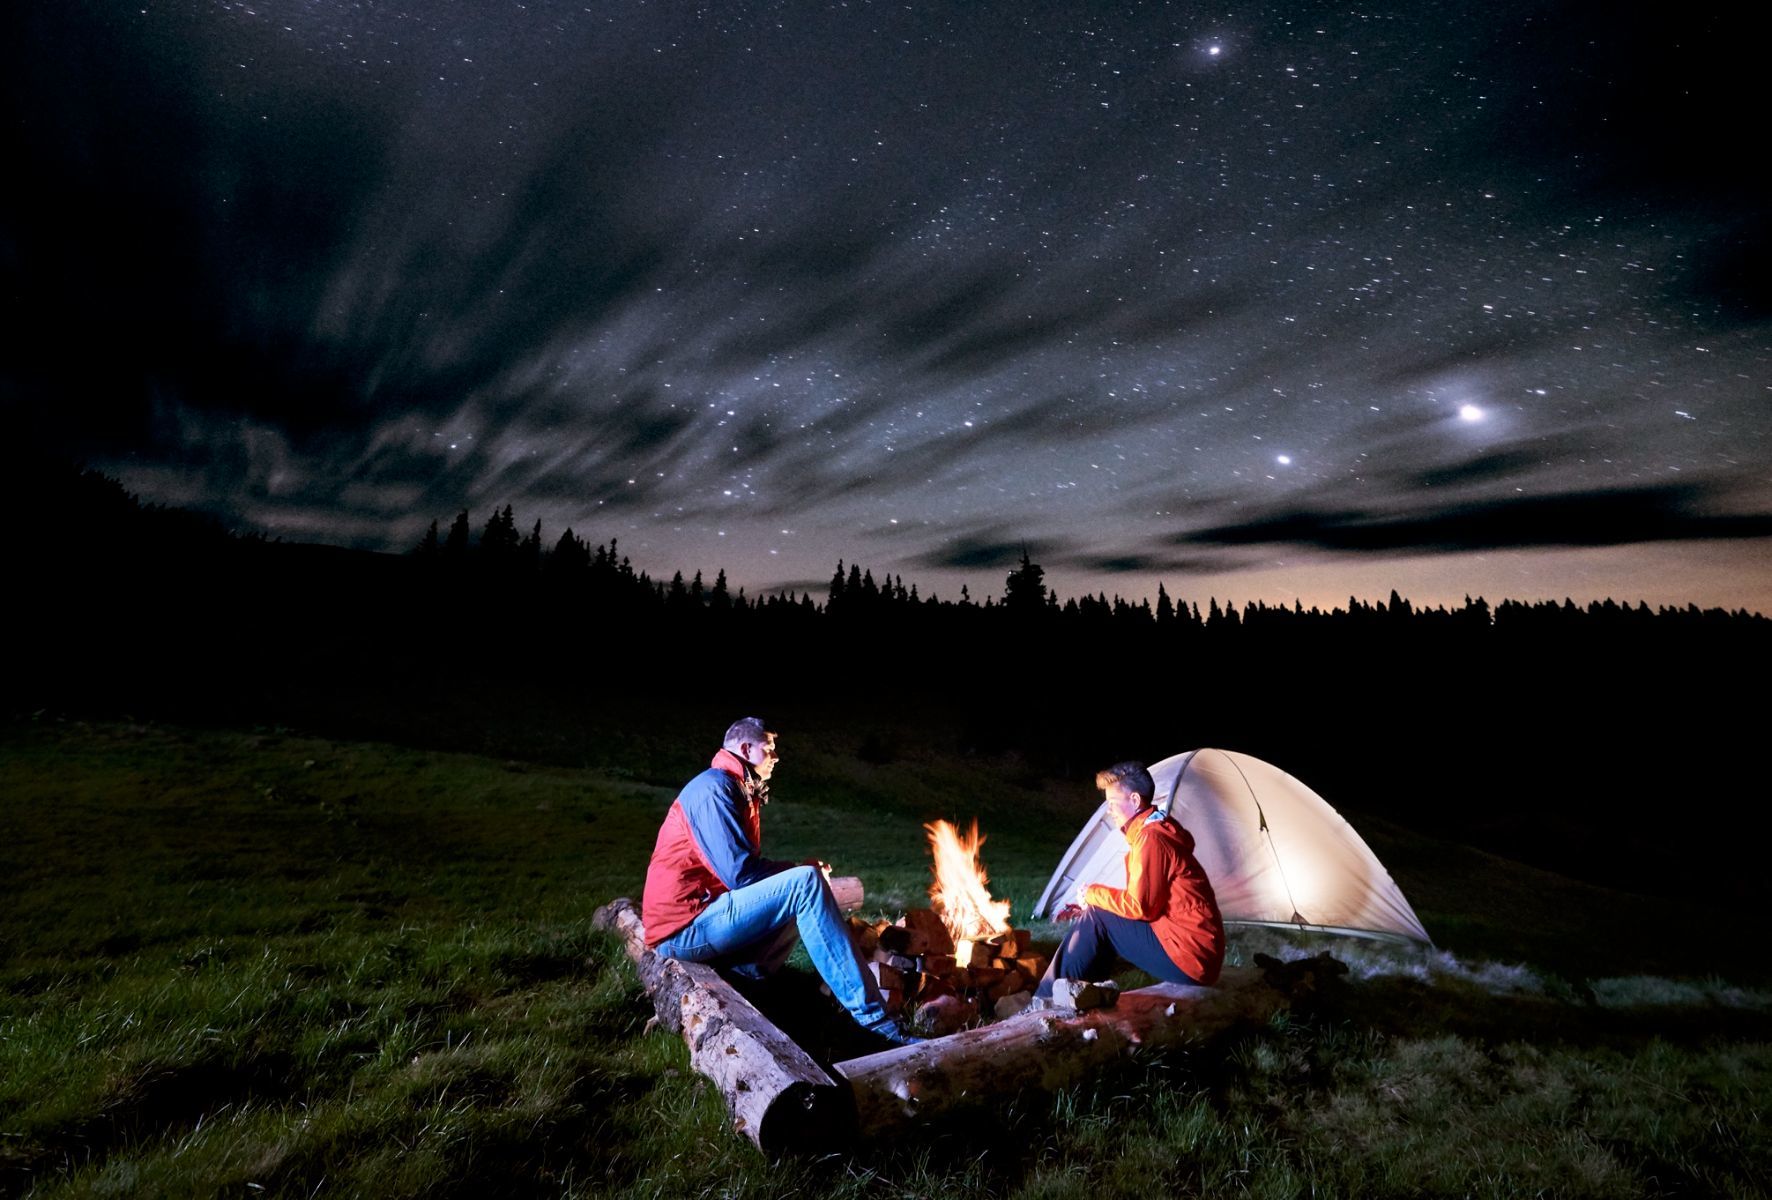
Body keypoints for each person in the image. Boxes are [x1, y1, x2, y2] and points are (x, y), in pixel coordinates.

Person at [641, 717, 923, 1046]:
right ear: (746, 748)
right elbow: (740, 875)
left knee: (804, 882)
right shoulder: (713, 789)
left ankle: (750, 985)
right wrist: (798, 873)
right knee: (804, 884)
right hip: (682, 928)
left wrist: (796, 869)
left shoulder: (736, 788)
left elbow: (742, 873)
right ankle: (877, 1024)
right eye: (769, 749)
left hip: (702, 913)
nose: (776, 757)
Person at [1036, 761, 1225, 999]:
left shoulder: (1151, 839)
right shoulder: (1153, 832)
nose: (1109, 810)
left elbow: (1140, 907)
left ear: (1135, 801)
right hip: (1194, 950)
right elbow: (1147, 904)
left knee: (1097, 916)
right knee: (1100, 916)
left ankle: (1046, 1000)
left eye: (1113, 803)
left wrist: (1093, 894)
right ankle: (1083, 997)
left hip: (1191, 958)